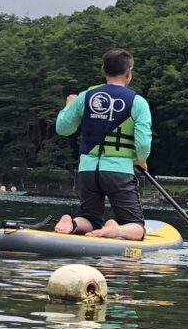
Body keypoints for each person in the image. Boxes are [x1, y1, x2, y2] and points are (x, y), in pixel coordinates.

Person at [54, 49, 152, 240]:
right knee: (138, 228)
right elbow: (142, 143)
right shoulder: (138, 102)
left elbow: (63, 128)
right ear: (128, 73)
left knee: (90, 218)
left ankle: (72, 223)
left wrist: (68, 105)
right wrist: (140, 160)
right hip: (119, 171)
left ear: (103, 70)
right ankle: (117, 230)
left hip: (87, 170)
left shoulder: (85, 96)